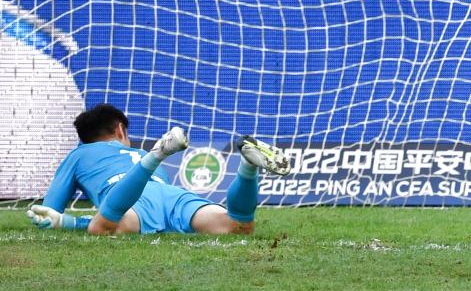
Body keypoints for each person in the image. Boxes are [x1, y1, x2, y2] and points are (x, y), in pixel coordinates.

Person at [26, 103, 291, 235]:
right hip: (170, 195)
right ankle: (246, 167)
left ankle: (159, 154)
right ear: (120, 129)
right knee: (237, 226)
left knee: (103, 227)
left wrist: (64, 221)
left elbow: (49, 211)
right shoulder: (134, 151)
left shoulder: (79, 154)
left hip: (128, 203)